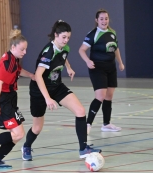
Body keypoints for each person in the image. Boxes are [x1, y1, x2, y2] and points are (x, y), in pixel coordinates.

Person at [21, 20, 101, 161]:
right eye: (63, 37)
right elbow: (38, 76)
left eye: (68, 37)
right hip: (40, 90)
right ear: (56, 35)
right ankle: (27, 146)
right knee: (37, 128)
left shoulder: (65, 48)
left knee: (80, 111)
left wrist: (69, 67)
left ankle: (83, 148)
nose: (66, 40)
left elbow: (63, 57)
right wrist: (47, 98)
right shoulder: (48, 51)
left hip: (56, 86)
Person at [0, 29, 35, 168]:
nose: (24, 52)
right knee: (18, 134)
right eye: (22, 49)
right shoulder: (6, 63)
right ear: (13, 47)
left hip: (10, 99)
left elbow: (19, 70)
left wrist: (32, 75)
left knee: (17, 135)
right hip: (3, 101)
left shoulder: (13, 59)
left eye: (26, 49)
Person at [78, 9, 125, 134]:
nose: (104, 21)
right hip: (97, 68)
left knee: (109, 96)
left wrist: (120, 62)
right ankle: (88, 124)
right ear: (97, 20)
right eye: (102, 19)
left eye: (106, 18)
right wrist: (88, 61)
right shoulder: (93, 34)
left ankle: (106, 124)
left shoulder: (112, 33)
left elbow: (116, 48)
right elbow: (81, 50)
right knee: (100, 96)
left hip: (111, 67)